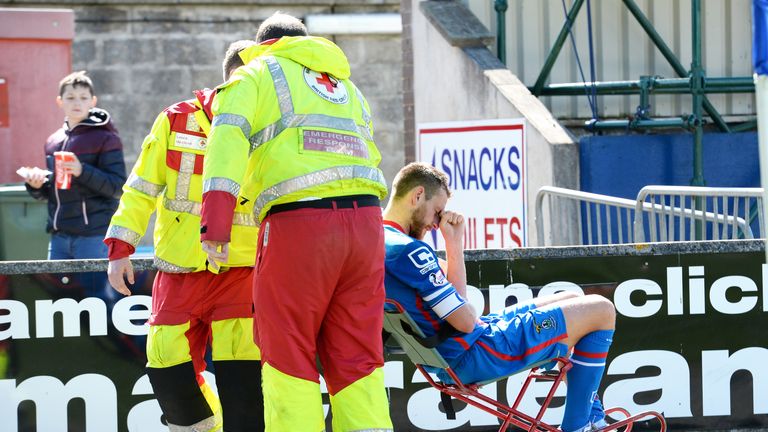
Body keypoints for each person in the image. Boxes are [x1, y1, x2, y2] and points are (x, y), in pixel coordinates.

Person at [198, 12, 393, 432]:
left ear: (263, 43)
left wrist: (216, 225)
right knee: (359, 357)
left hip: (300, 227)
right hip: (366, 225)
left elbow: (226, 139)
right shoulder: (346, 87)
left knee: (287, 350)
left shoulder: (253, 74)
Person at [382, 162, 616, 432]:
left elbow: (457, 309)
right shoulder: (412, 252)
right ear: (418, 195)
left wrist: (453, 244)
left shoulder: (380, 239)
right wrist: (467, 311)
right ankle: (579, 425)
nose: (436, 224)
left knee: (572, 297)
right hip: (476, 352)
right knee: (601, 309)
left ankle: (591, 415)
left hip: (455, 351)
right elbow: (466, 321)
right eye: (437, 212)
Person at [104, 40, 264, 432]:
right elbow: (142, 186)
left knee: (241, 377)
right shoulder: (176, 119)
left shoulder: (269, 126)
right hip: (179, 267)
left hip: (241, 271)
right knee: (165, 367)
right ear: (234, 77)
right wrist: (120, 247)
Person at [23, 71, 126, 300]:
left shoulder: (106, 138)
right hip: (59, 238)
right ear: (60, 102)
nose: (77, 102)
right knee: (58, 302)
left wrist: (82, 171)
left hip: (93, 237)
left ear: (93, 101)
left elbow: (118, 187)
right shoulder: (53, 141)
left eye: (82, 97)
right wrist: (36, 185)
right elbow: (53, 192)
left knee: (98, 301)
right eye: (70, 97)